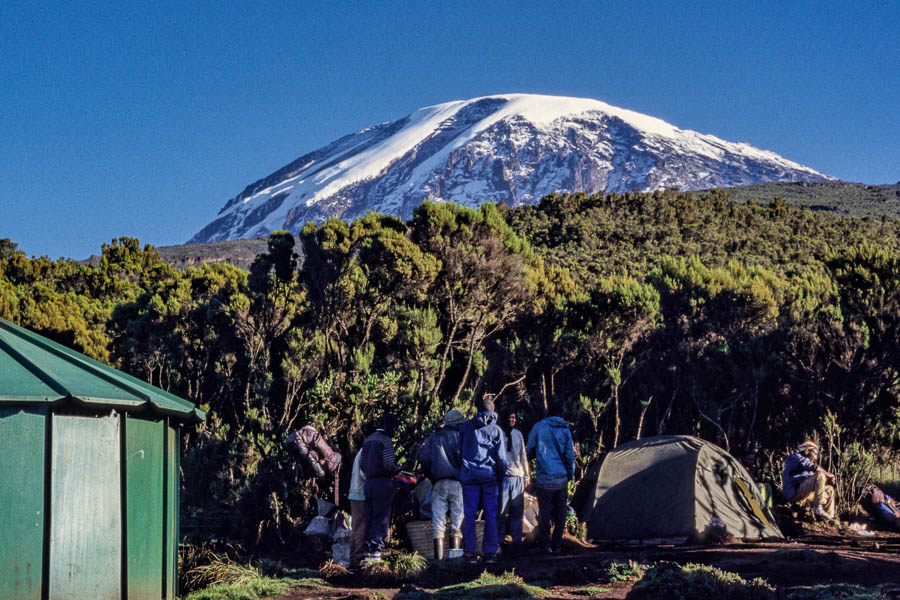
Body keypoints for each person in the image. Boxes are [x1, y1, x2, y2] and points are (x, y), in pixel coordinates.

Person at [460, 395, 507, 564]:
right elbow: (501, 458)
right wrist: (500, 475)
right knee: (491, 515)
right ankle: (490, 553)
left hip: (469, 476)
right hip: (489, 477)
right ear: (493, 412)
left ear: (478, 410)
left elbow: (460, 450)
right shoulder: (496, 430)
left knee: (470, 515)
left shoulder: (466, 427)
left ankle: (470, 552)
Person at [526, 403, 575, 554]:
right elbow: (569, 456)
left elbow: (529, 450)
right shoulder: (565, 430)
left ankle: (545, 545)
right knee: (561, 513)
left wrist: (538, 457)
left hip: (544, 479)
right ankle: (557, 545)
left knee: (544, 513)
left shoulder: (539, 427)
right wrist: (570, 475)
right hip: (561, 479)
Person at [418, 409, 466, 560]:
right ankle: (455, 559)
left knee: (438, 521)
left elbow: (424, 459)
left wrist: (431, 476)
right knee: (457, 521)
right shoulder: (461, 437)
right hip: (457, 483)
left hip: (438, 483)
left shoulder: (434, 437)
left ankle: (438, 560)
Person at [361, 414, 401, 559]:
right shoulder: (385, 440)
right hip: (382, 483)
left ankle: (366, 550)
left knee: (370, 516)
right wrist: (398, 470)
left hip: (369, 483)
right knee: (381, 517)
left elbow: (361, 464)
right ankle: (375, 549)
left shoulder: (368, 439)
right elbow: (389, 464)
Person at [498, 408, 529, 553]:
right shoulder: (498, 433)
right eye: (510, 417)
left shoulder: (518, 435)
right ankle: (500, 540)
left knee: (517, 511)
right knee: (502, 511)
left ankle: (517, 541)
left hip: (518, 477)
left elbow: (523, 455)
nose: (512, 420)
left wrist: (527, 475)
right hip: (504, 478)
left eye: (514, 418)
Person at [781, 440, 836, 520]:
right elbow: (814, 468)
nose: (816, 457)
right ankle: (818, 508)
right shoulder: (795, 458)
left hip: (805, 493)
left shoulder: (808, 466)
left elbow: (816, 484)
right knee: (820, 475)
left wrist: (828, 481)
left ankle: (829, 518)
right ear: (806, 451)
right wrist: (828, 475)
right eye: (814, 453)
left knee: (830, 490)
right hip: (794, 493)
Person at [347, 448, 367, 566]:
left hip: (355, 492)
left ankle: (354, 558)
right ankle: (358, 559)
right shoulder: (366, 451)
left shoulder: (362, 450)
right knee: (361, 527)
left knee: (356, 527)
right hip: (360, 493)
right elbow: (364, 474)